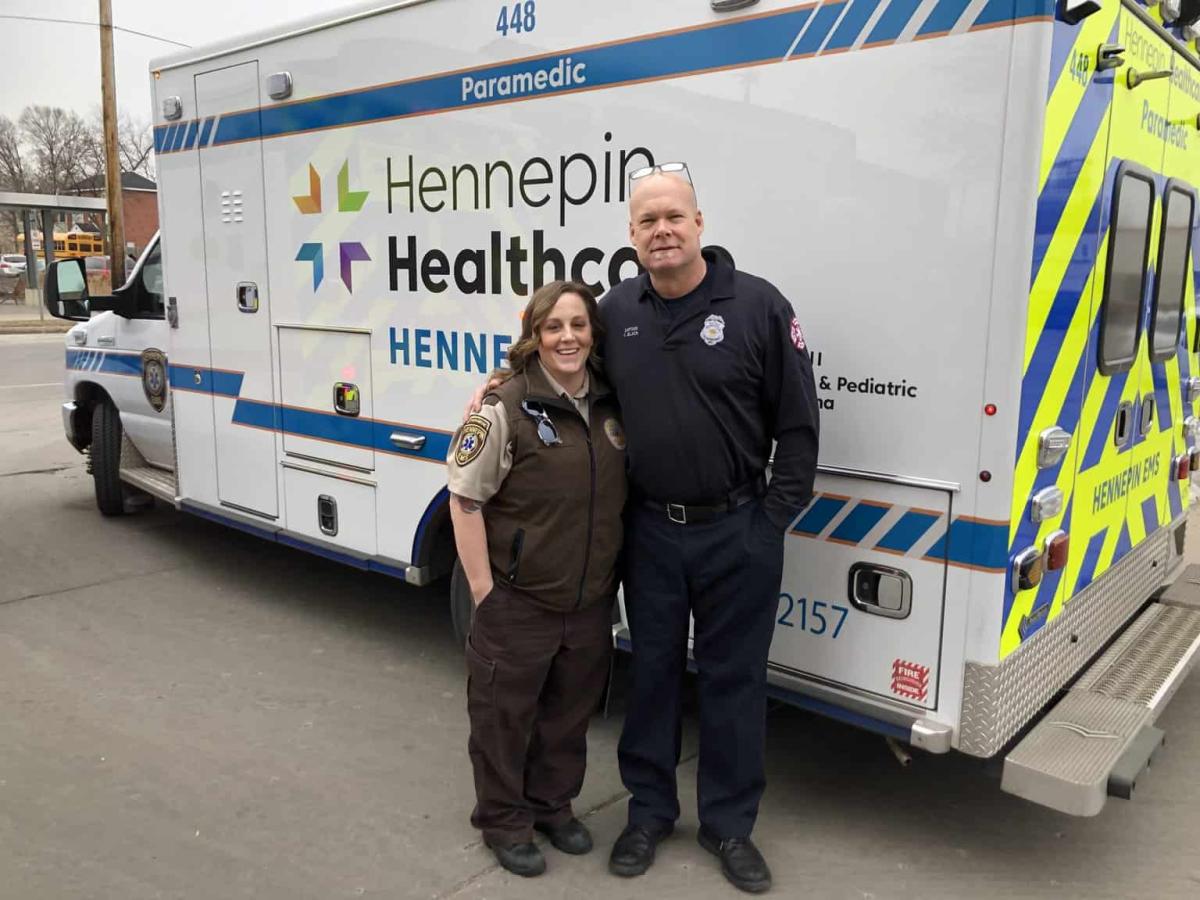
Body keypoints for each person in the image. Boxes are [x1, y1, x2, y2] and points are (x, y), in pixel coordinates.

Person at [600, 165, 819, 894]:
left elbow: (798, 428)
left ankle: (729, 826)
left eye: (673, 217)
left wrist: (770, 524)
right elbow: (562, 377)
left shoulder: (757, 306)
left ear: (700, 224)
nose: (661, 231)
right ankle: (649, 813)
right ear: (631, 237)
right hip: (651, 533)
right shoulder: (613, 312)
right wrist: (498, 385)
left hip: (738, 531)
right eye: (646, 221)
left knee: (734, 683)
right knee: (653, 676)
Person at [446, 280, 628, 878]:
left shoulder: (610, 404)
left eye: (578, 325)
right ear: (535, 336)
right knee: (504, 718)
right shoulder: (505, 406)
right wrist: (483, 594)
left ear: (593, 333)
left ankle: (553, 807)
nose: (568, 337)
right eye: (555, 327)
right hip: (518, 601)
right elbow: (465, 500)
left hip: (588, 602)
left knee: (568, 715)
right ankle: (503, 820)